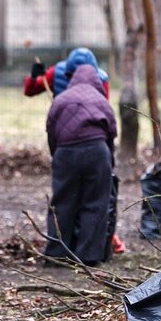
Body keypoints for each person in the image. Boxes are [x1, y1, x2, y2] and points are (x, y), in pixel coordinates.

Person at [45, 63, 117, 265]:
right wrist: (109, 160)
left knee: (61, 204)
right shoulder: (101, 100)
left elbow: (51, 130)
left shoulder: (60, 99)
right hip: (97, 152)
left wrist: (56, 156)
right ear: (96, 81)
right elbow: (111, 132)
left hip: (66, 153)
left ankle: (55, 255)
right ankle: (89, 256)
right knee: (95, 204)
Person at [24, 47, 110, 99]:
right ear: (67, 71)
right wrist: (33, 77)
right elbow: (30, 91)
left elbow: (104, 113)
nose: (79, 79)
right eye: (73, 76)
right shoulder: (56, 73)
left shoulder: (102, 80)